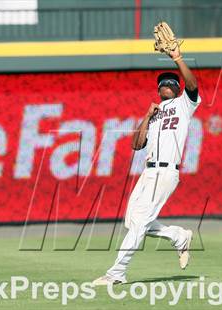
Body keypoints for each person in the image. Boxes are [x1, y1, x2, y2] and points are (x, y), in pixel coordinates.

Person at [93, 45, 201, 285]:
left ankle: (116, 273)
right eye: (162, 83)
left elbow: (192, 86)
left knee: (140, 223)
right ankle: (178, 236)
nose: (166, 85)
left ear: (176, 88)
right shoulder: (153, 113)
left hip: (166, 171)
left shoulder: (184, 105)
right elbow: (136, 144)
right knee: (133, 221)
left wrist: (177, 58)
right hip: (148, 171)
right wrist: (146, 116)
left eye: (171, 83)